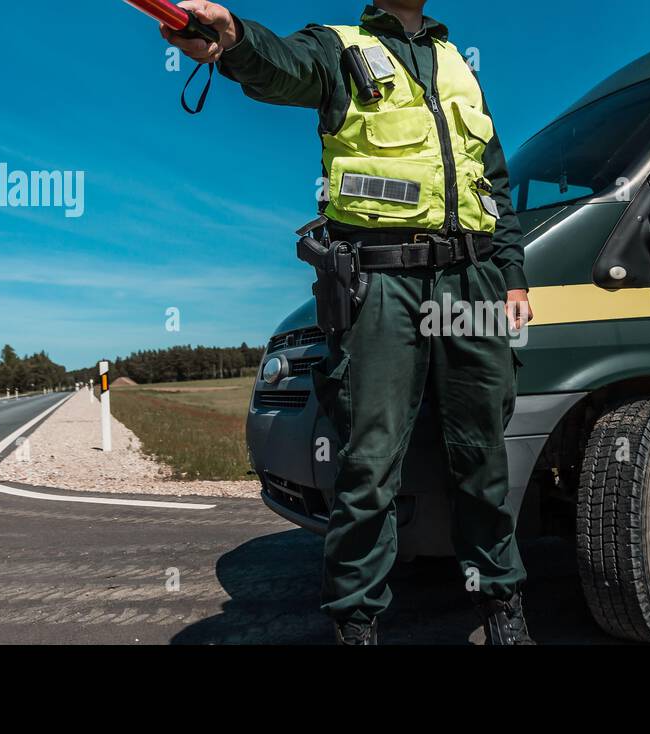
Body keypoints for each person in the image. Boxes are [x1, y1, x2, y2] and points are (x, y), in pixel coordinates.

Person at [162, 1, 534, 645]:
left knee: (482, 455)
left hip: (472, 281)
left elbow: (493, 183)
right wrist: (233, 40)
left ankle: (500, 601)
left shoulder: (458, 66)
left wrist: (514, 273)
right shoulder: (338, 46)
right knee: (369, 461)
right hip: (382, 280)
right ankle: (357, 620)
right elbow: (280, 66)